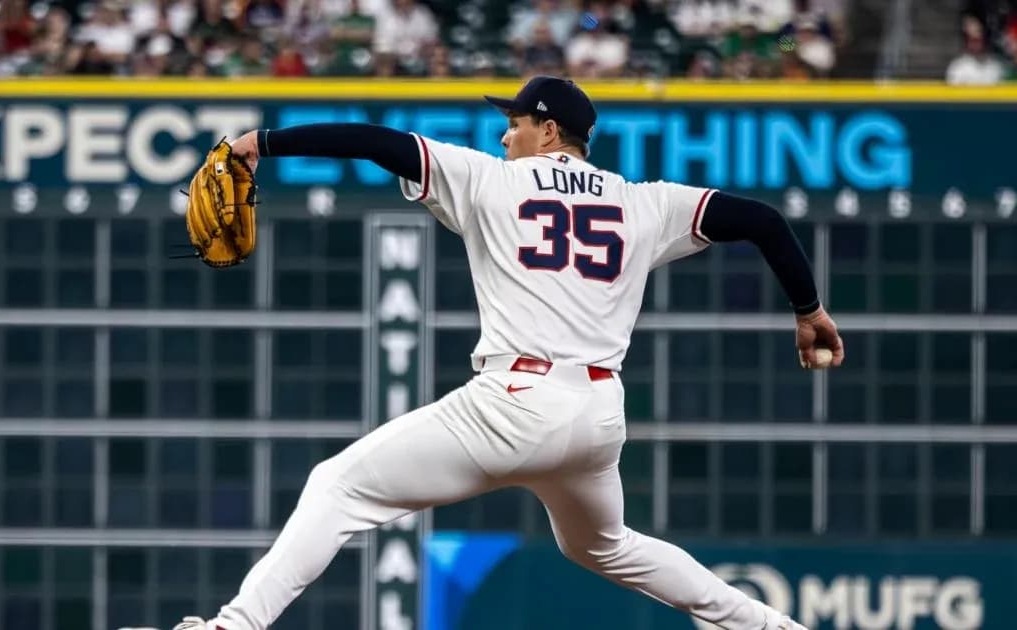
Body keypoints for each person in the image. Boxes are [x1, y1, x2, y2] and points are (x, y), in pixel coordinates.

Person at [175, 75, 843, 630]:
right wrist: (808, 310)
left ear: (548, 131)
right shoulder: (644, 203)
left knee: (339, 485)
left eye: (516, 122)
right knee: (603, 547)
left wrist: (258, 143)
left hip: (513, 406)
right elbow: (763, 221)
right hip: (597, 417)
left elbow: (375, 143)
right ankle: (771, 627)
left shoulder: (493, 180)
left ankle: (234, 627)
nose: (504, 135)